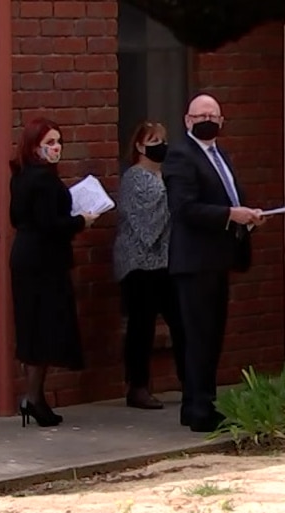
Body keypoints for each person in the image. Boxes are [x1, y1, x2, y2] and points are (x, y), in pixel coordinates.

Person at [164, 93, 266, 433]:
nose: (208, 119)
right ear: (188, 120)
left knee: (213, 335)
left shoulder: (219, 154)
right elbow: (184, 208)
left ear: (221, 122)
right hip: (195, 261)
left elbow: (229, 197)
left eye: (214, 114)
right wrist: (229, 215)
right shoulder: (181, 155)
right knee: (198, 336)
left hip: (219, 258)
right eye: (200, 114)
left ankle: (201, 404)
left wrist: (246, 216)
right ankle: (198, 407)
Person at [9, 117, 99, 427]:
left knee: (34, 327)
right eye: (49, 143)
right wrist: (81, 221)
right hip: (43, 262)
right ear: (35, 147)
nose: (56, 147)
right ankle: (33, 398)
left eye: (59, 141)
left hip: (27, 257)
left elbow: (19, 217)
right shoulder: (43, 181)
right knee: (43, 328)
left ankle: (34, 397)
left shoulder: (22, 176)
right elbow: (50, 224)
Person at [113, 121, 185, 409]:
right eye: (154, 140)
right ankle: (137, 386)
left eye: (164, 139)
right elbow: (148, 226)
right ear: (140, 146)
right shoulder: (135, 179)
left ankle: (189, 379)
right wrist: (175, 198)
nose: (161, 145)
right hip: (139, 264)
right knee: (141, 326)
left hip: (166, 262)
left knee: (181, 321)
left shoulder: (165, 175)